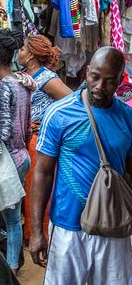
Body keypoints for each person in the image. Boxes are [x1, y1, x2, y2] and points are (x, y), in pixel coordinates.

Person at [29, 47, 132, 284]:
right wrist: (37, 232)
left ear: (120, 80)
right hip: (67, 227)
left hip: (114, 225)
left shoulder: (129, 118)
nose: (99, 86)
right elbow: (42, 173)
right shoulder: (59, 114)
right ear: (86, 72)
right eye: (95, 77)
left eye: (109, 81)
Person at [18, 35, 72, 242]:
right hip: (24, 140)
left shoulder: (48, 78)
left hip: (39, 141)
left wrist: (50, 123)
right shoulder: (23, 75)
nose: (19, 53)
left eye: (23, 49)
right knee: (28, 189)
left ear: (31, 54)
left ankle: (43, 235)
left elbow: (72, 102)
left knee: (38, 190)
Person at [0, 28, 35, 275]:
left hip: (7, 161)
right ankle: (11, 265)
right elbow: (26, 128)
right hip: (22, 156)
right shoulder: (22, 82)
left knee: (11, 220)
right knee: (13, 219)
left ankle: (10, 270)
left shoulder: (4, 87)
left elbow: (2, 130)